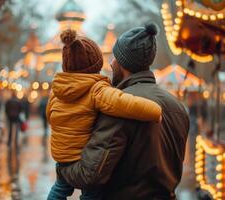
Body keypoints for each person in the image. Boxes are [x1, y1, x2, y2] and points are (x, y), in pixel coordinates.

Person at [57, 23, 190, 199]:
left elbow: (90, 174)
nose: (111, 63)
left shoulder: (119, 106)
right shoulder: (178, 107)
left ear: (123, 63)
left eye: (114, 57)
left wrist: (63, 167)